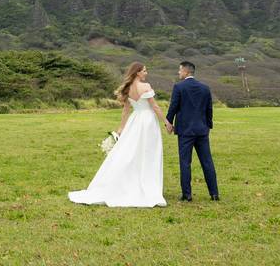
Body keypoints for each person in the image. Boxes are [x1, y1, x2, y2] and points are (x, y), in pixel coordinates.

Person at [68, 61, 169, 207]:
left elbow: (126, 111)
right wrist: (166, 122)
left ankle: (131, 182)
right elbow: (154, 106)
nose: (146, 73)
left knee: (131, 152)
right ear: (138, 72)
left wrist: (121, 129)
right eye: (145, 71)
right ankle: (146, 185)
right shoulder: (145, 87)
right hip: (147, 122)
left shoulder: (128, 88)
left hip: (134, 122)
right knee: (148, 152)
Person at [166, 60, 219, 202]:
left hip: (185, 131)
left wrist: (168, 123)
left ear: (186, 72)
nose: (178, 73)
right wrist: (208, 126)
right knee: (207, 162)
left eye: (180, 70)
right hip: (202, 130)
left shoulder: (179, 87)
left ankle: (187, 195)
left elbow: (173, 107)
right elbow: (209, 110)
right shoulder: (205, 88)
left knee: (185, 163)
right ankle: (214, 194)